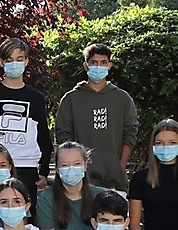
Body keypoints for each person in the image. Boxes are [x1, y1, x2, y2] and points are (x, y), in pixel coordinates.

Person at [55, 43, 138, 192]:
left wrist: (120, 167)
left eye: (103, 62)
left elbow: (130, 133)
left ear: (110, 65)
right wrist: (75, 169)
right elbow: (63, 136)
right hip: (80, 180)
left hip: (114, 180)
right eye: (93, 62)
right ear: (85, 66)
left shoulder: (122, 98)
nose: (98, 67)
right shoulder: (71, 99)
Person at [0, 37, 52, 204]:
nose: (15, 64)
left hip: (27, 167)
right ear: (1, 62)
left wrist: (44, 171)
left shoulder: (36, 98)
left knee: (24, 212)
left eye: (19, 59)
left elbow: (43, 137)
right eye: (9, 60)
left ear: (26, 61)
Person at [36, 142, 107, 230]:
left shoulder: (101, 196)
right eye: (65, 165)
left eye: (77, 164)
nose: (71, 169)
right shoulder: (46, 199)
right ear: (57, 169)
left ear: (85, 166)